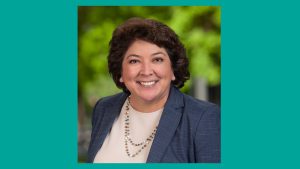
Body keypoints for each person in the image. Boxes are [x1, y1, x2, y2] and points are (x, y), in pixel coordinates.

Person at [87, 17, 220, 163]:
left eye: (157, 59)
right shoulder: (104, 108)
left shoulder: (203, 117)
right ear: (121, 72)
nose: (146, 71)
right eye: (134, 61)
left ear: (173, 69)